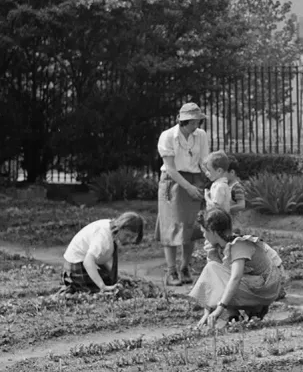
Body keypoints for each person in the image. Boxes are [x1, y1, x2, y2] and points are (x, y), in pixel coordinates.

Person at [191, 209, 284, 328]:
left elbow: (235, 278)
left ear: (212, 231)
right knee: (213, 271)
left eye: (204, 232)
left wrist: (219, 310)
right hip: (253, 284)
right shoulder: (219, 247)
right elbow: (211, 281)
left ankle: (251, 309)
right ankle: (234, 315)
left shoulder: (239, 245)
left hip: (264, 289)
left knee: (214, 270)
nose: (203, 235)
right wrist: (207, 312)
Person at [156, 102, 210, 286]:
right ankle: (171, 271)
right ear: (183, 121)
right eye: (193, 122)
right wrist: (188, 187)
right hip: (174, 182)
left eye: (198, 121)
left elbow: (204, 161)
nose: (196, 125)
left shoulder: (200, 135)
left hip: (195, 179)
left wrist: (212, 179)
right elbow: (170, 169)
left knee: (191, 227)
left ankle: (185, 267)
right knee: (171, 226)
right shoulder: (168, 136)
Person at [60, 212, 144, 294]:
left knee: (112, 282)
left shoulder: (112, 231)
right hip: (75, 267)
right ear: (120, 227)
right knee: (108, 290)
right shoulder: (104, 238)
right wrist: (103, 286)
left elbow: (99, 257)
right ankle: (72, 286)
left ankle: (77, 285)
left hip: (83, 262)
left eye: (132, 237)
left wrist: (114, 276)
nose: (129, 240)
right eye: (127, 235)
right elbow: (88, 261)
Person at [226, 156, 247, 223]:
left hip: (234, 223)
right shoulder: (224, 186)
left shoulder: (237, 187)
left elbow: (241, 205)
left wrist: (227, 209)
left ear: (232, 172)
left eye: (223, 173)